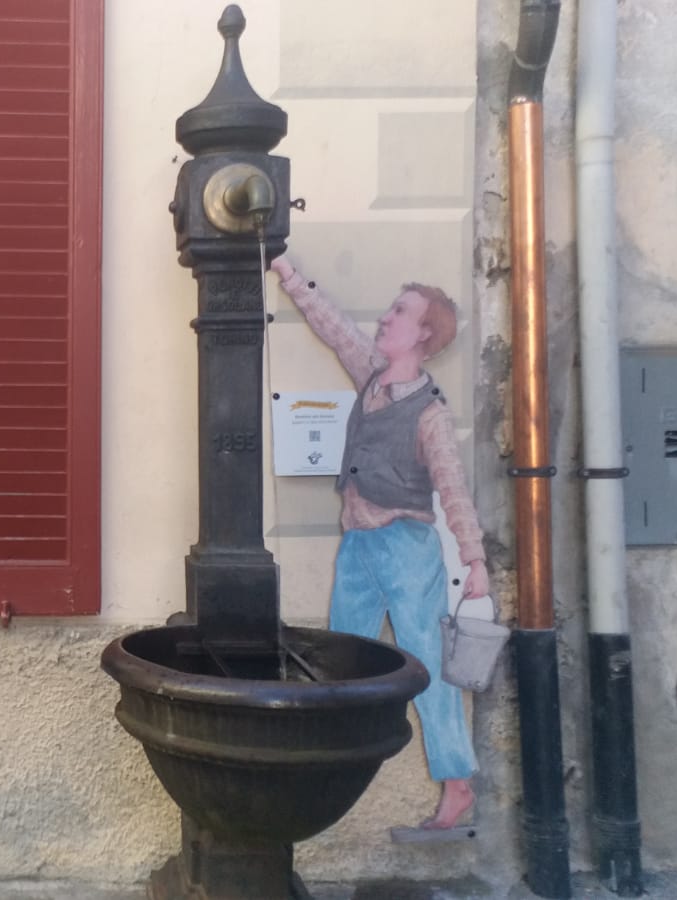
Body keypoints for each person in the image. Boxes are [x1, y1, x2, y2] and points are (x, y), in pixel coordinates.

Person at [271, 255, 488, 831]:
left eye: (400, 312)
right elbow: (333, 325)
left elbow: (453, 489)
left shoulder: (430, 415)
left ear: (423, 334)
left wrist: (474, 559)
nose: (386, 318)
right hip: (359, 547)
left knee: (427, 664)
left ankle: (457, 785)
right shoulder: (371, 373)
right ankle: (328, 767)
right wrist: (288, 272)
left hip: (408, 548)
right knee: (341, 660)